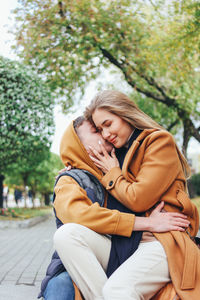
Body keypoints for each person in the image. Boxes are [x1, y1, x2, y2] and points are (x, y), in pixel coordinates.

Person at [53, 116, 191, 300]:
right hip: (96, 253)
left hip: (142, 246)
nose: (105, 134)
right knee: (65, 239)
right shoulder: (70, 179)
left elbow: (144, 194)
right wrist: (146, 224)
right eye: (96, 131)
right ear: (79, 144)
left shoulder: (121, 164)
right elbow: (80, 215)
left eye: (105, 127)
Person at [79, 90, 200, 300]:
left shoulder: (159, 142)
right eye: (100, 129)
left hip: (163, 240)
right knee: (68, 235)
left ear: (124, 114)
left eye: (108, 124)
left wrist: (113, 173)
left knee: (117, 290)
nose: (106, 134)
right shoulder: (115, 154)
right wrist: (72, 170)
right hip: (131, 239)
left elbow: (138, 198)